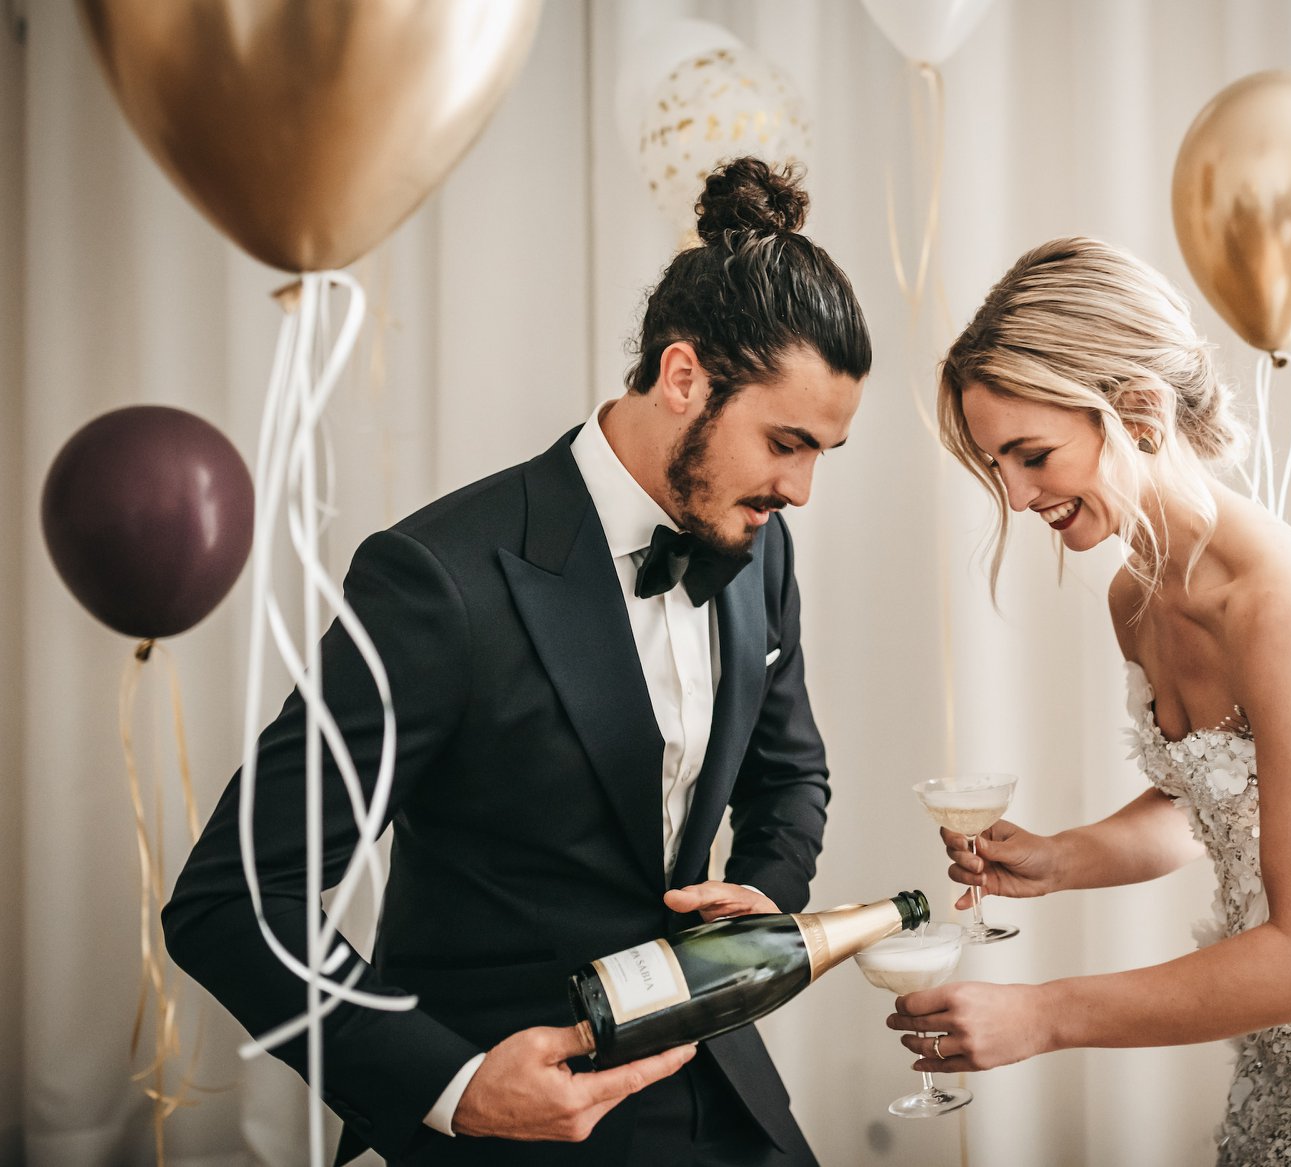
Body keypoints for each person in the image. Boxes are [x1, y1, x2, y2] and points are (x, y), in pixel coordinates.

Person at [163, 158, 869, 1166]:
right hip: (510, 1123)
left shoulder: (757, 543)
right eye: (785, 442)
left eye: (820, 454)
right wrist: (449, 1085)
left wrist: (760, 897)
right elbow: (232, 900)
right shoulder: (437, 581)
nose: (799, 490)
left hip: (728, 1099)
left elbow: (791, 773)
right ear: (682, 378)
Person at [896, 237, 1291, 1163]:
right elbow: (1220, 802)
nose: (1017, 494)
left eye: (1032, 455)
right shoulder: (1134, 597)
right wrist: (1061, 857)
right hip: (1284, 1062)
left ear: (1141, 412)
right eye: (997, 463)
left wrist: (1045, 1013)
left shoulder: (1276, 605)